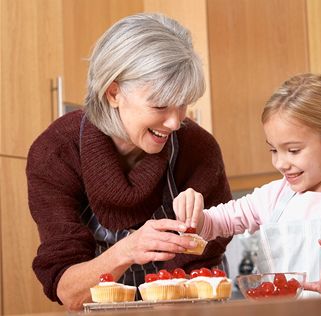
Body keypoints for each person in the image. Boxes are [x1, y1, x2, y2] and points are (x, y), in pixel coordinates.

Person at [26, 13, 232, 311]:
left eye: (183, 103)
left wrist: (203, 225)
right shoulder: (56, 152)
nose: (175, 122)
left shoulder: (197, 149)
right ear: (113, 92)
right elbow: (69, 293)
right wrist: (129, 250)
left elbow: (207, 270)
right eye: (160, 105)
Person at [174, 73, 321, 296]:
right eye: (273, 150)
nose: (280, 163)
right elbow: (217, 222)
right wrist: (194, 213)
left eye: (293, 150)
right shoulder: (273, 197)